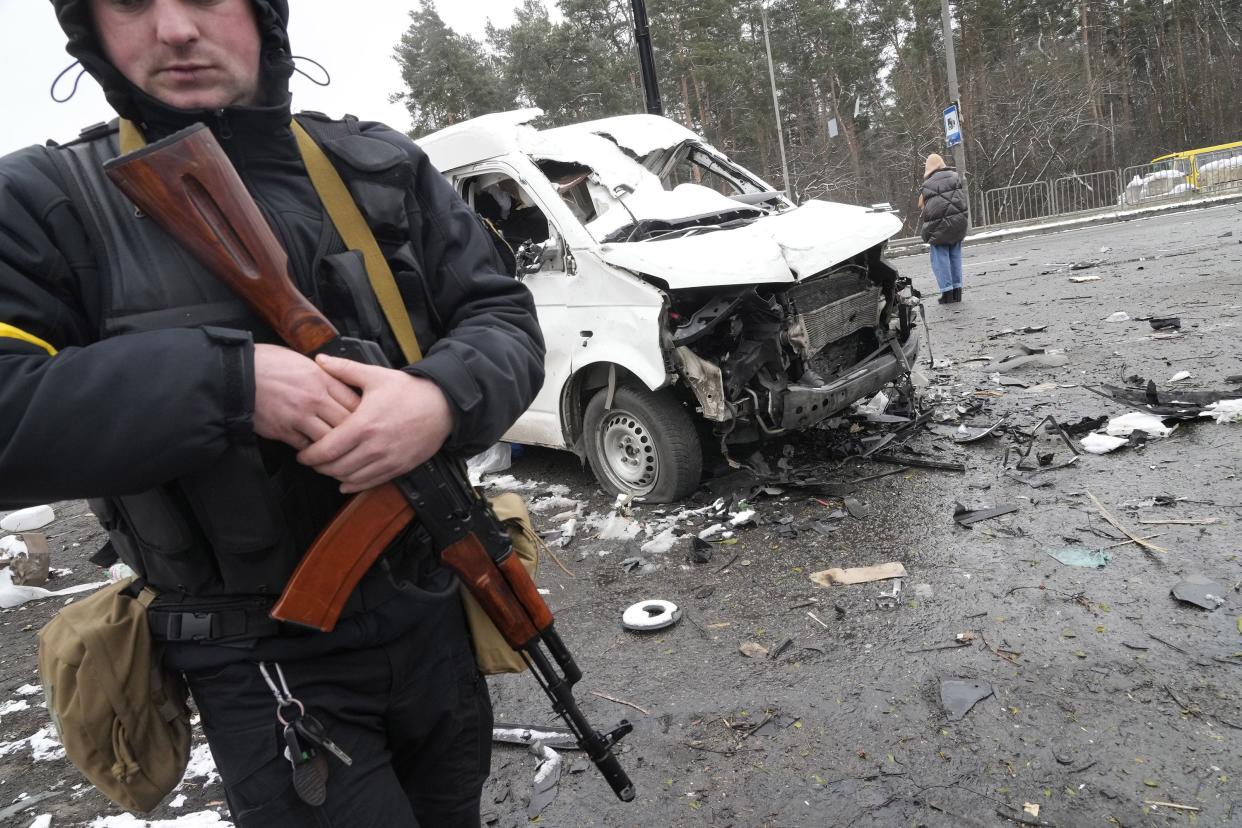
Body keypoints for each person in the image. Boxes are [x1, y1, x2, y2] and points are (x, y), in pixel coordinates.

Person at [0, 1, 545, 826]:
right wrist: (231, 384)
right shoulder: (45, 203)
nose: (176, 29)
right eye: (132, 2)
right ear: (89, 29)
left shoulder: (375, 164)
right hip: (257, 654)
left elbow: (503, 319)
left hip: (431, 609)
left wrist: (441, 396)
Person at [918, 153, 969, 303]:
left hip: (939, 229)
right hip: (958, 224)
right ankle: (957, 291)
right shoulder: (955, 176)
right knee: (955, 257)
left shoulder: (927, 185)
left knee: (940, 260)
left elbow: (921, 205)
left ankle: (947, 294)